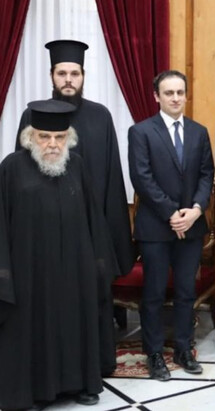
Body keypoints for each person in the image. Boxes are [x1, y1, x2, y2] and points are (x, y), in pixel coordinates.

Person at [15, 39, 135, 376]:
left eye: (75, 73)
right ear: (51, 76)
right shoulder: (32, 116)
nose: (69, 79)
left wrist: (113, 242)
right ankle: (46, 375)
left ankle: (92, 371)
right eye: (62, 72)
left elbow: (113, 178)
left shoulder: (100, 116)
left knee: (90, 305)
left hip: (88, 236)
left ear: (84, 75)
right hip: (43, 236)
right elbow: (19, 181)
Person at [0, 100, 120, 409]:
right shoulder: (11, 168)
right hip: (30, 272)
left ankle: (80, 385)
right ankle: (31, 392)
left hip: (73, 272)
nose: (52, 144)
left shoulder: (77, 166)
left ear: (69, 138)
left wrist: (98, 266)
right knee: (32, 329)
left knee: (75, 325)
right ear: (30, 137)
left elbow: (94, 219)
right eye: (44, 137)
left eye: (60, 137)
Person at [127, 70, 214, 381]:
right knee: (152, 293)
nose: (175, 98)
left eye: (180, 92)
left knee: (186, 292)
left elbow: (207, 175)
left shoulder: (199, 132)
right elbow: (142, 178)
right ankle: (153, 354)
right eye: (169, 93)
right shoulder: (140, 132)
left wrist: (194, 210)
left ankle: (182, 348)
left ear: (186, 94)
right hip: (155, 228)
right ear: (157, 97)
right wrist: (171, 214)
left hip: (191, 225)